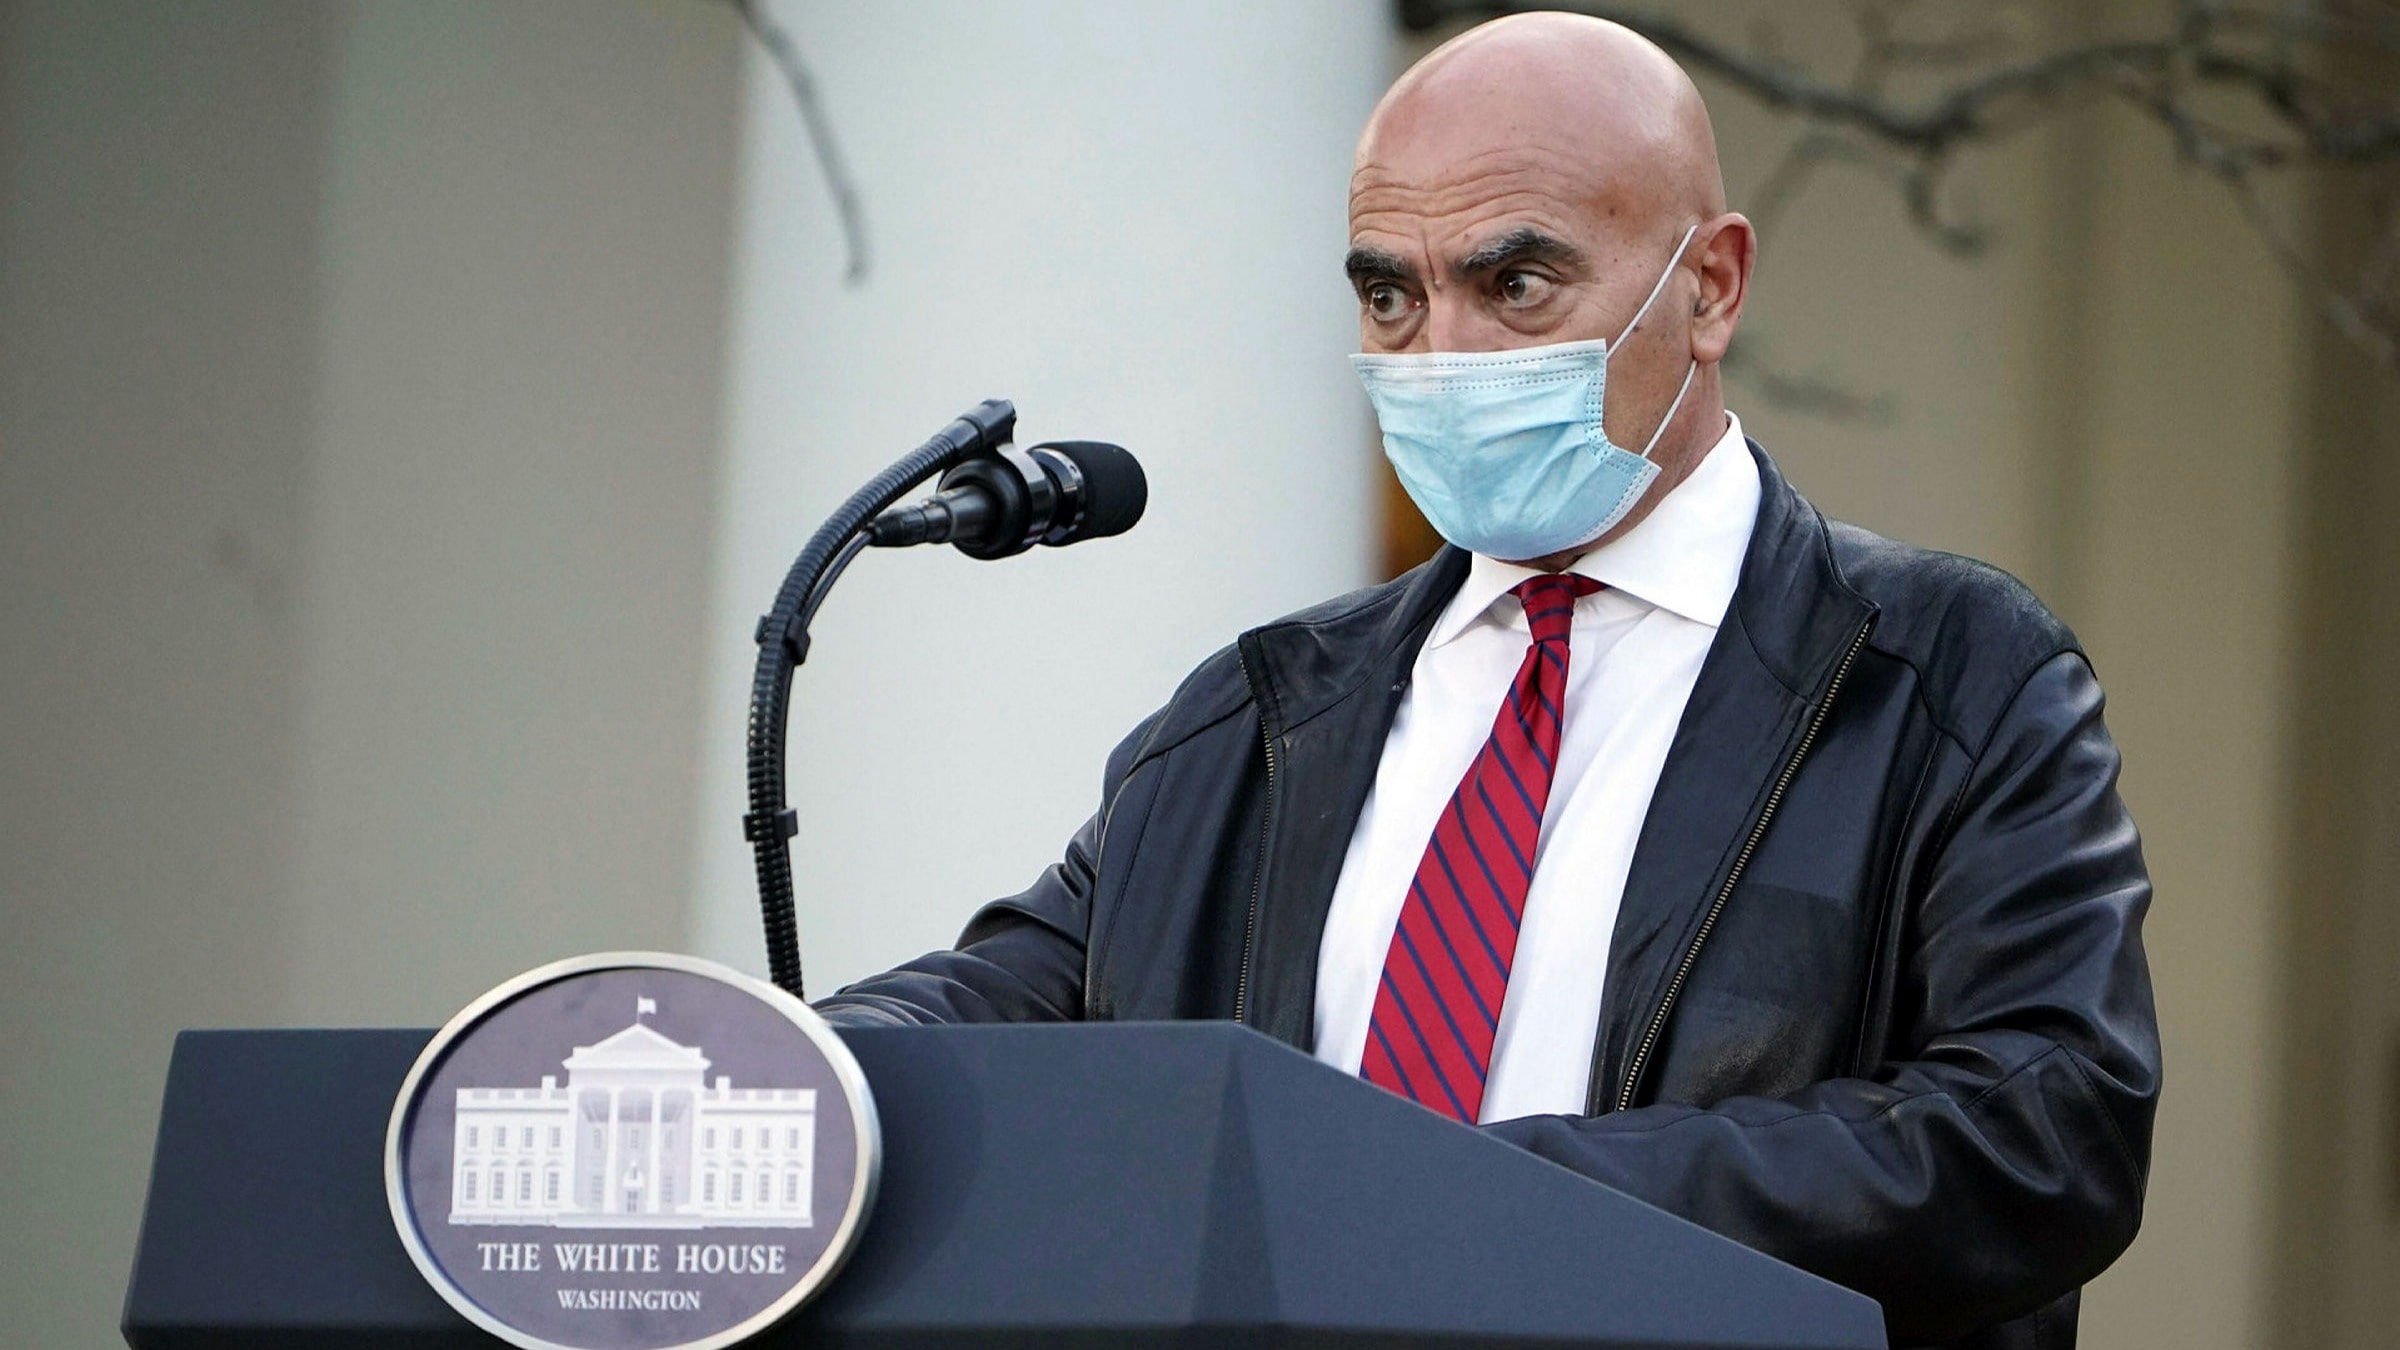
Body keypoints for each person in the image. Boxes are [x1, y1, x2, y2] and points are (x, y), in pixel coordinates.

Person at [818, 13, 2158, 1348]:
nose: (1442, 356)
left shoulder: (1949, 678)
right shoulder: (1255, 719)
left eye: (1514, 285)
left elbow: (2045, 1127)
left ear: (1711, 287)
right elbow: (1008, 1006)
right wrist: (785, 1066)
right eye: (1390, 298)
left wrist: (1487, 1202)